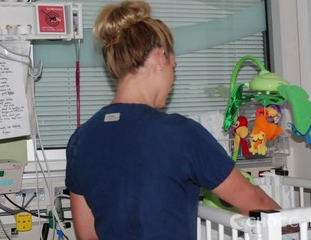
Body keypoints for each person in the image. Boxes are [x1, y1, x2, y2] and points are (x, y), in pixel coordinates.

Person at [65, 1, 284, 239]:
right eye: (174, 67)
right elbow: (256, 203)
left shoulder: (81, 140)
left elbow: (87, 235)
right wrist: (306, 226)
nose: (173, 80)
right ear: (160, 57)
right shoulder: (180, 134)